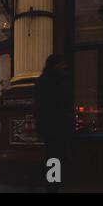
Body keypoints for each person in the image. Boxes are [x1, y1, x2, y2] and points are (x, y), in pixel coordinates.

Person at [35, 54, 71, 192]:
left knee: (53, 155)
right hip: (54, 125)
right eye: (61, 64)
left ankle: (53, 183)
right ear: (55, 65)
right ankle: (53, 184)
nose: (64, 66)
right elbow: (56, 103)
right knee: (55, 155)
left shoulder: (44, 80)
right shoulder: (52, 81)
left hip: (50, 125)